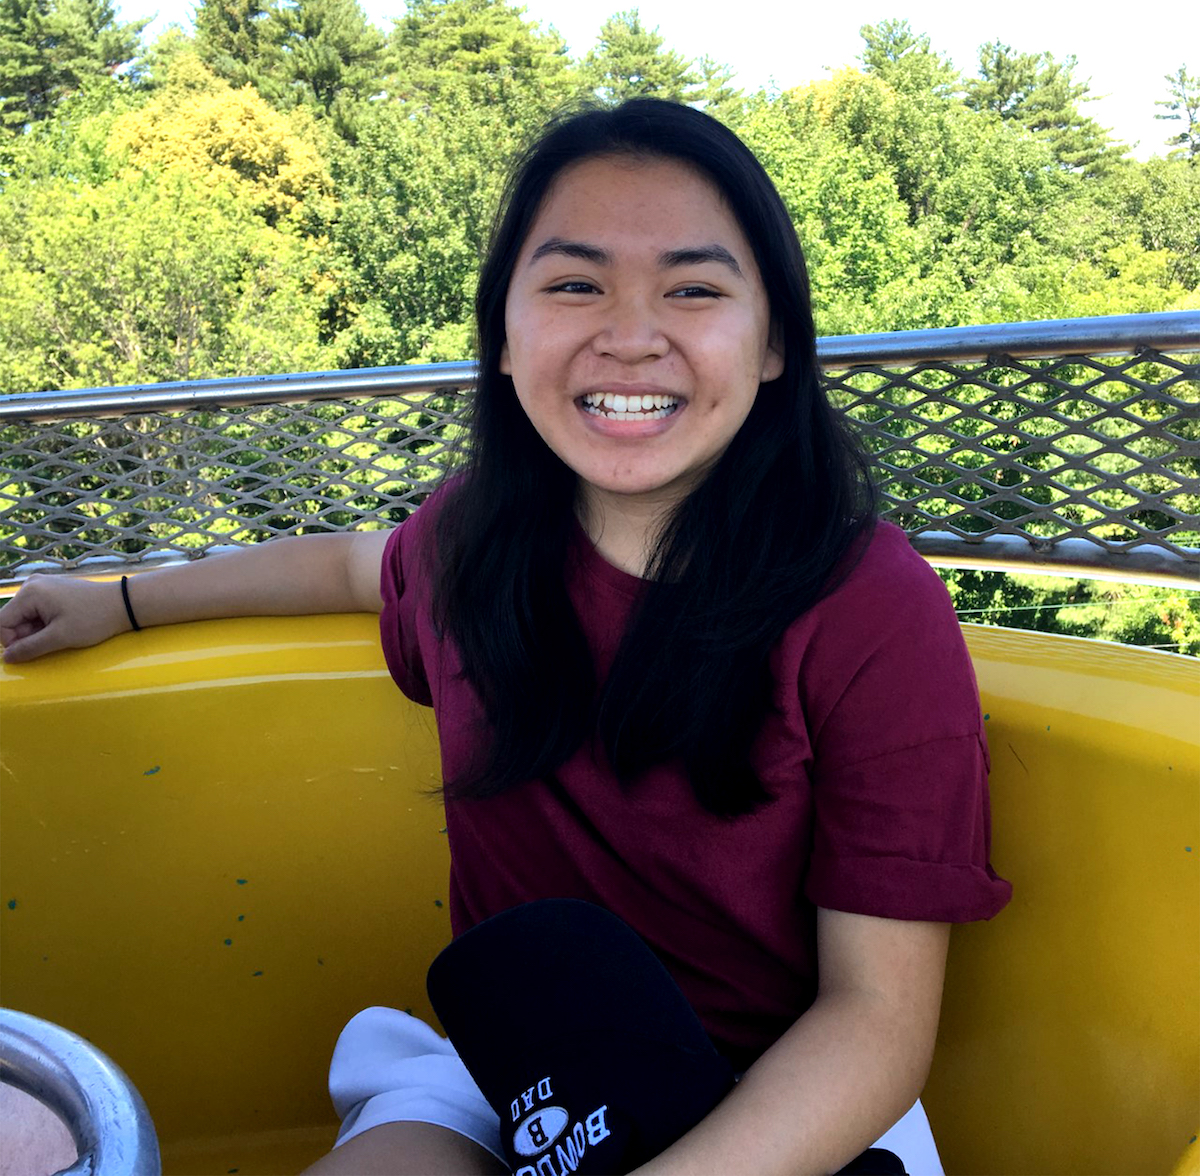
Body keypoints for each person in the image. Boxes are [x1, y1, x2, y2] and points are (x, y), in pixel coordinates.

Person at [0, 99, 1010, 1176]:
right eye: (575, 284)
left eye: (695, 288)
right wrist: (122, 598)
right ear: (505, 333)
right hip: (510, 1071)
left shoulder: (867, 604)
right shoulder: (475, 542)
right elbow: (349, 562)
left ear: (771, 346)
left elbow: (874, 1022)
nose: (629, 335)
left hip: (781, 1098)